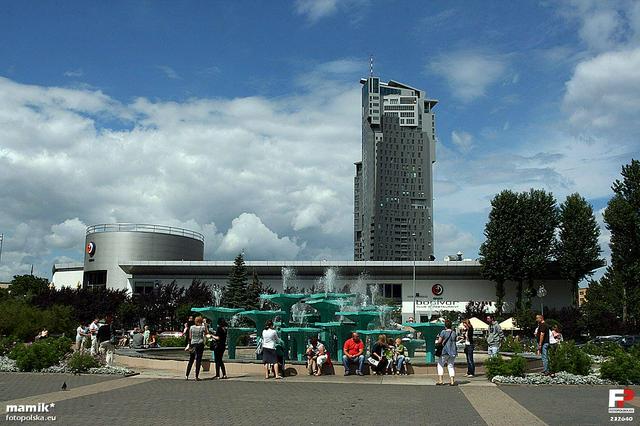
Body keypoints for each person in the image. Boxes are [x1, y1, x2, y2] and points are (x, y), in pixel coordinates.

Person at [185, 316, 208, 381]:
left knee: (191, 360)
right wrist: (205, 324)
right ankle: (196, 376)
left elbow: (190, 337)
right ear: (201, 321)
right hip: (200, 344)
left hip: (193, 344)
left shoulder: (191, 327)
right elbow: (206, 333)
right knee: (198, 360)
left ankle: (187, 375)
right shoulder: (202, 327)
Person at [436, 319, 457, 386]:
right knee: (451, 366)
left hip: (444, 351)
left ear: (445, 326)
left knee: (440, 365)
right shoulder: (454, 333)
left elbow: (439, 341)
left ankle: (441, 380)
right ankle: (452, 381)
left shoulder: (443, 332)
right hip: (453, 352)